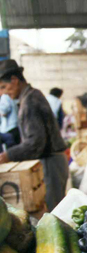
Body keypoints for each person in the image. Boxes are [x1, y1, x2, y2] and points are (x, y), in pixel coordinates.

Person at [0, 60, 69, 211]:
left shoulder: (30, 100)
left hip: (51, 162)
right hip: (52, 161)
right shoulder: (29, 96)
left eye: (3, 87)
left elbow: (35, 142)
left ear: (15, 80)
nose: (3, 93)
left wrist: (7, 155)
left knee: (54, 213)